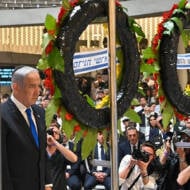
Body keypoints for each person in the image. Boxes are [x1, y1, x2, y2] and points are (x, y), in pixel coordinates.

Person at [1, 66, 52, 190]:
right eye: (31, 86)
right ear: (15, 87)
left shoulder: (40, 112)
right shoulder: (3, 115)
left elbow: (41, 152)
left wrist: (47, 183)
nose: (38, 91)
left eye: (38, 86)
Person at [46, 124, 78, 190]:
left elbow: (74, 159)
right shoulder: (40, 151)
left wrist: (55, 142)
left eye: (55, 133)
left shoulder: (61, 152)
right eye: (50, 132)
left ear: (59, 136)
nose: (52, 134)